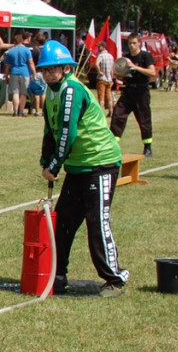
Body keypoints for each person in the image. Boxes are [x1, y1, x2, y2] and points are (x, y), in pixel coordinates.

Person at [38, 41, 129, 298]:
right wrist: (46, 161)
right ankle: (57, 275)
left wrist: (55, 166)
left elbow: (67, 133)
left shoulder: (71, 91)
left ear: (66, 68)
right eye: (44, 70)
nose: (47, 74)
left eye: (52, 69)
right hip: (77, 167)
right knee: (63, 222)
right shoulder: (51, 94)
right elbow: (50, 130)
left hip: (100, 163)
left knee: (96, 220)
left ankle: (114, 278)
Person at [109, 33, 157, 157]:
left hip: (141, 91)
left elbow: (152, 72)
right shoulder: (126, 58)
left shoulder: (145, 56)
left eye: (134, 43)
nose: (131, 46)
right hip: (128, 91)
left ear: (139, 43)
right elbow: (122, 76)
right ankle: (113, 144)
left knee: (144, 119)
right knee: (117, 115)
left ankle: (147, 147)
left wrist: (135, 67)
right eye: (130, 43)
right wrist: (118, 74)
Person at [3, 32, 35, 117]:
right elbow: (31, 63)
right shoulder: (27, 50)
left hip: (14, 72)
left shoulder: (10, 51)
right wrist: (34, 74)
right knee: (24, 93)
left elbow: (7, 66)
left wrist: (6, 75)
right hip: (25, 73)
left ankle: (15, 111)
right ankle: (21, 111)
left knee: (15, 92)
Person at [94, 42, 115, 116]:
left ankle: (100, 113)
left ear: (103, 47)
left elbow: (96, 64)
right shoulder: (111, 56)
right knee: (109, 96)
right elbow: (112, 69)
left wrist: (99, 71)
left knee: (101, 96)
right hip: (109, 79)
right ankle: (111, 111)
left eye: (99, 46)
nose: (98, 48)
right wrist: (111, 78)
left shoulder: (101, 56)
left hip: (102, 78)